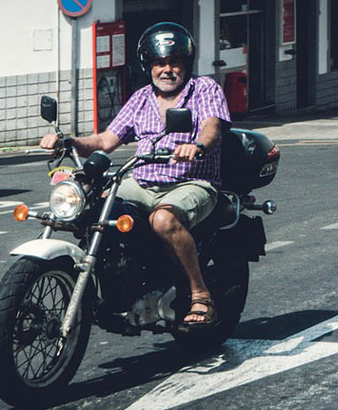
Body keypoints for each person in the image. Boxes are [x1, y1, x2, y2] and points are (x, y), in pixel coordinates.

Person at [39, 22, 229, 329]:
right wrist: (69, 141)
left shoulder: (204, 89)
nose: (167, 70)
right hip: (142, 181)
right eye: (160, 63)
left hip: (191, 181)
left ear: (185, 64)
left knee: (163, 220)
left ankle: (200, 292)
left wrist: (196, 145)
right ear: (149, 66)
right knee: (89, 207)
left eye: (174, 62)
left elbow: (212, 126)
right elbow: (105, 141)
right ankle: (113, 283)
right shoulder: (141, 98)